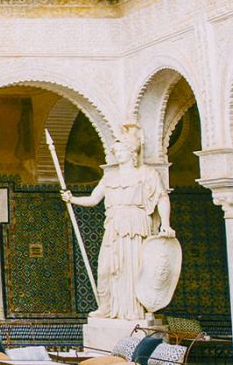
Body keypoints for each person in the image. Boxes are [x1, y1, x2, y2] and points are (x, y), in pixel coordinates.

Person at [63, 124, 176, 319]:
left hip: (136, 223)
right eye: (116, 151)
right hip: (114, 226)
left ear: (132, 151)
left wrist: (165, 223)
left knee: (133, 268)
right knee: (107, 268)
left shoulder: (147, 174)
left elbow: (161, 198)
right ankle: (107, 307)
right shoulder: (110, 177)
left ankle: (134, 310)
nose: (118, 154)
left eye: (121, 150)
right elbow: (93, 199)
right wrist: (72, 199)